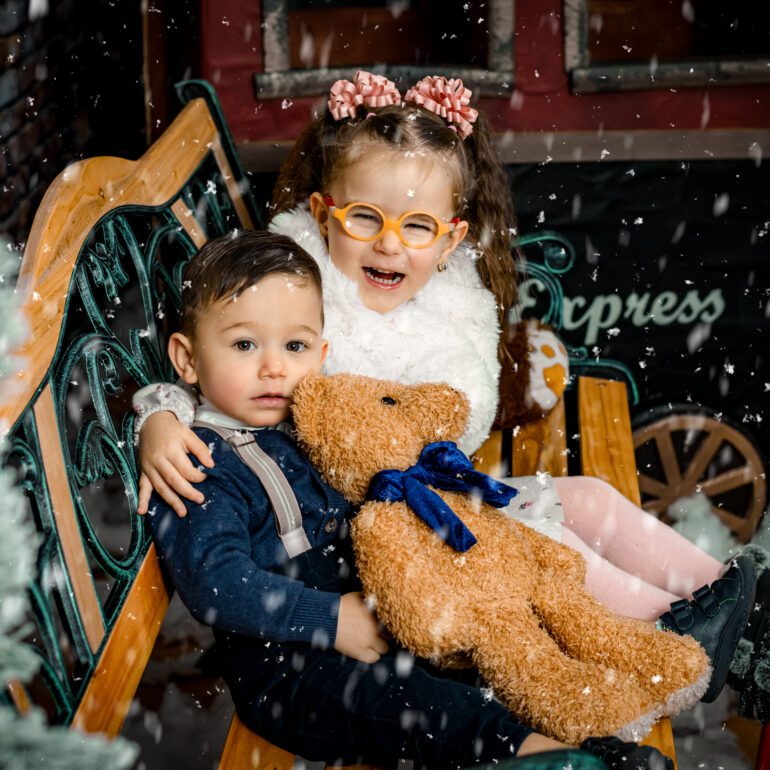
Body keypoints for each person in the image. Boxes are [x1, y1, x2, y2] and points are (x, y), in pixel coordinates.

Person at [134, 72, 757, 706]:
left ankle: (732, 601)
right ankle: (680, 640)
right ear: (325, 215)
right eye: (366, 218)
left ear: (451, 238)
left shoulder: (444, 301)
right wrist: (162, 412)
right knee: (552, 545)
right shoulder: (298, 290)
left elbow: (459, 402)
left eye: (416, 227)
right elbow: (223, 367)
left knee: (590, 497)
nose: (388, 243)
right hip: (374, 540)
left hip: (434, 499)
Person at [145, 229, 670, 770]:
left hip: (379, 613)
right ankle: (554, 761)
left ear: (321, 353)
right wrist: (329, 619)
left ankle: (593, 732)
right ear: (186, 358)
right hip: (293, 668)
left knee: (493, 645)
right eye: (244, 345)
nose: (274, 367)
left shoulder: (304, 420)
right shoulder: (197, 462)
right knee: (421, 706)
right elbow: (218, 586)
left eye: (295, 346)